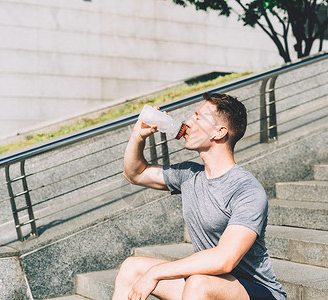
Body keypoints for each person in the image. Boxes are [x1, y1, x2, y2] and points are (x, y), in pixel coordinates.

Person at [113, 93, 286, 300]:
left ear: (219, 132)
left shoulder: (247, 190)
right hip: (209, 282)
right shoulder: (189, 175)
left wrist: (156, 272)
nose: (187, 122)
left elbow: (225, 259)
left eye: (197, 117)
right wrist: (138, 136)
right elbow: (135, 173)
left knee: (198, 283)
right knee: (132, 268)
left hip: (257, 292)